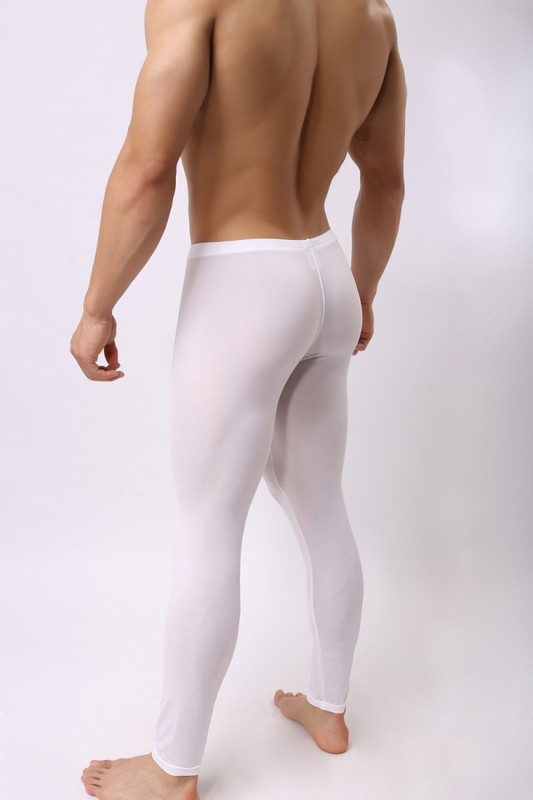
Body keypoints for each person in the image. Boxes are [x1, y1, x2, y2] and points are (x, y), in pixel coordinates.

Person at [70, 0, 406, 797]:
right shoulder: (373, 17)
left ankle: (173, 769)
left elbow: (148, 168)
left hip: (242, 282)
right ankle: (329, 709)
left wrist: (97, 306)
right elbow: (385, 179)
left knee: (206, 525)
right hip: (325, 274)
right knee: (320, 500)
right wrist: (360, 292)